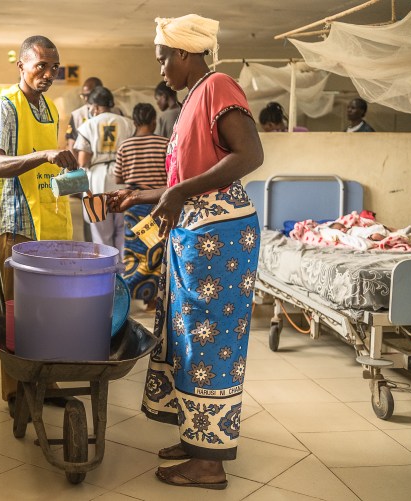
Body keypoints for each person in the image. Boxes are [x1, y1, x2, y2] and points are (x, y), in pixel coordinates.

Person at [107, 14, 264, 490]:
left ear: (183, 53)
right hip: (198, 232)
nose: (161, 71)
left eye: (162, 60)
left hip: (219, 238)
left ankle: (209, 463)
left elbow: (250, 155)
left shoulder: (219, 86)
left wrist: (177, 194)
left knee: (209, 339)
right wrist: (144, 194)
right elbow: (187, 182)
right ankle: (197, 439)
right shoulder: (194, 98)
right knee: (184, 336)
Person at [0, 35, 77, 414]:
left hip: (48, 217)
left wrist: (74, 184)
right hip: (17, 221)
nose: (48, 74)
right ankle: (17, 391)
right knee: (18, 309)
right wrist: (44, 154)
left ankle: (48, 381)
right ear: (21, 66)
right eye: (40, 66)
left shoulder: (48, 107)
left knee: (48, 308)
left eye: (54, 67)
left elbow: (48, 168)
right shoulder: (5, 107)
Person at [113, 103, 169, 311]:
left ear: (134, 122)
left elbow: (119, 177)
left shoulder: (125, 146)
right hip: (158, 204)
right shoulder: (165, 143)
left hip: (134, 205)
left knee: (134, 253)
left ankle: (126, 295)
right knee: (157, 250)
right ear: (154, 121)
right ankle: (153, 299)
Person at [74, 86, 135, 256]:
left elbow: (83, 160)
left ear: (95, 107)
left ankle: (105, 273)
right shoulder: (128, 123)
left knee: (101, 234)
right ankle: (123, 275)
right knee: (122, 231)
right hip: (122, 178)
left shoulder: (88, 126)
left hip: (97, 182)